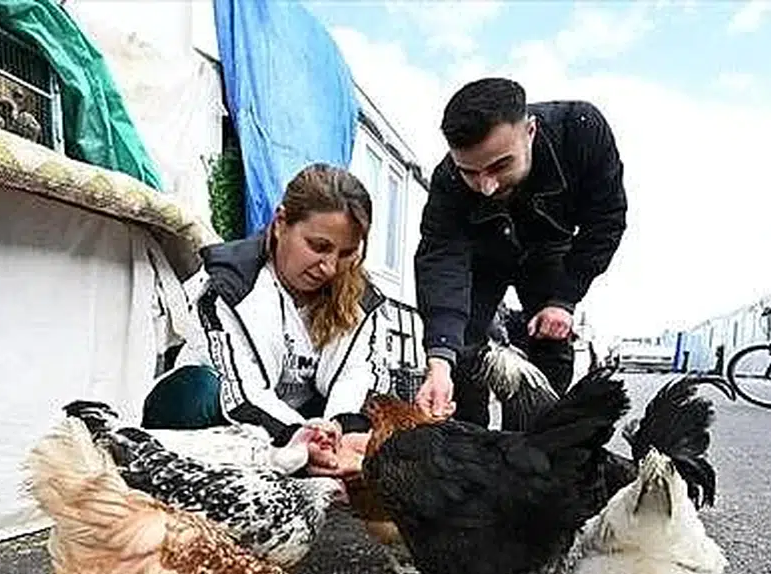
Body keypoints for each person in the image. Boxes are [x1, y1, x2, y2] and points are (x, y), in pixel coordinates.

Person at [143, 162, 390, 477]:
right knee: (198, 388)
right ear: (280, 223)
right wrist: (302, 438)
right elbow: (242, 391)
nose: (329, 267)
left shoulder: (361, 299)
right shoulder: (228, 285)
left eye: (345, 253)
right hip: (224, 412)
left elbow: (354, 378)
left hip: (291, 425)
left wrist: (339, 431)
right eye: (318, 246)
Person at [412, 77, 628, 425]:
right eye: (470, 172)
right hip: (483, 257)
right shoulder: (448, 180)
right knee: (463, 347)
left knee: (549, 347)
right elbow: (441, 260)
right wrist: (439, 360)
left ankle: (532, 450)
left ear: (530, 131)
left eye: (499, 165)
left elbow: (605, 221)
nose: (486, 186)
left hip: (550, 251)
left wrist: (565, 299)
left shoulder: (581, 132)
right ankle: (470, 448)